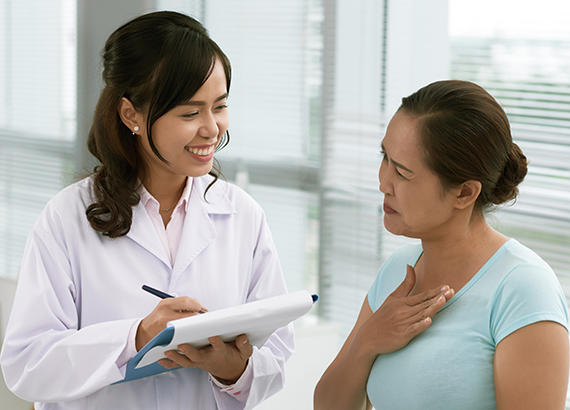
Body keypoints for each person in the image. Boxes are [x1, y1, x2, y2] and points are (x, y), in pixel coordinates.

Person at [0, 11, 293, 410]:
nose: (211, 128)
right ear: (131, 115)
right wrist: (137, 337)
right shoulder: (66, 218)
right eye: (190, 113)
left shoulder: (243, 216)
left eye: (219, 107)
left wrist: (233, 370)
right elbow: (27, 367)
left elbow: (275, 357)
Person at [314, 80, 569, 410]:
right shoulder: (398, 271)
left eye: (403, 173)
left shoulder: (523, 289)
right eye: (384, 156)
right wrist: (367, 341)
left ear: (464, 193)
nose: (383, 182)